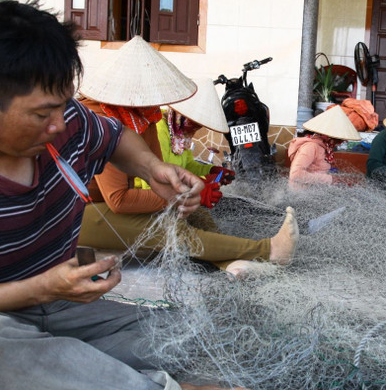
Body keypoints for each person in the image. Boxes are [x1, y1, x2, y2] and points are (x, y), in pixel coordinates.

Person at [0, 0, 257, 390]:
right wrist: (40, 287)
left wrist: (155, 169)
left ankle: (6, 384)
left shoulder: (64, 117)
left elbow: (114, 138)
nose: (60, 124)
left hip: (58, 303)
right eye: (42, 115)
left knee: (183, 333)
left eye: (64, 107)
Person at [77, 49, 299, 276]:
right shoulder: (103, 121)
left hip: (118, 203)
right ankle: (268, 250)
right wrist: (183, 195)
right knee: (172, 228)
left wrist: (197, 183)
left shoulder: (145, 118)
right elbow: (119, 200)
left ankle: (229, 263)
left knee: (195, 214)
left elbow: (156, 172)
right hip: (78, 215)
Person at [288, 105, 361, 189]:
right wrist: (330, 179)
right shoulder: (311, 146)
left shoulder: (323, 147)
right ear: (330, 136)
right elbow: (296, 174)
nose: (340, 143)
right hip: (301, 196)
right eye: (339, 140)